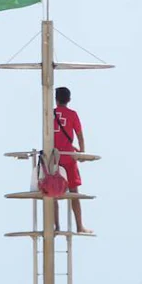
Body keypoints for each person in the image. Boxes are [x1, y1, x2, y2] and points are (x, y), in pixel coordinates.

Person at [53, 86, 92, 234]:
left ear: (56, 99)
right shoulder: (72, 114)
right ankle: (79, 226)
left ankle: (56, 226)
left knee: (52, 191)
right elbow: (80, 135)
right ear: (69, 99)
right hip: (69, 158)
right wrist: (81, 152)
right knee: (74, 193)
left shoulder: (49, 114)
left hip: (53, 157)